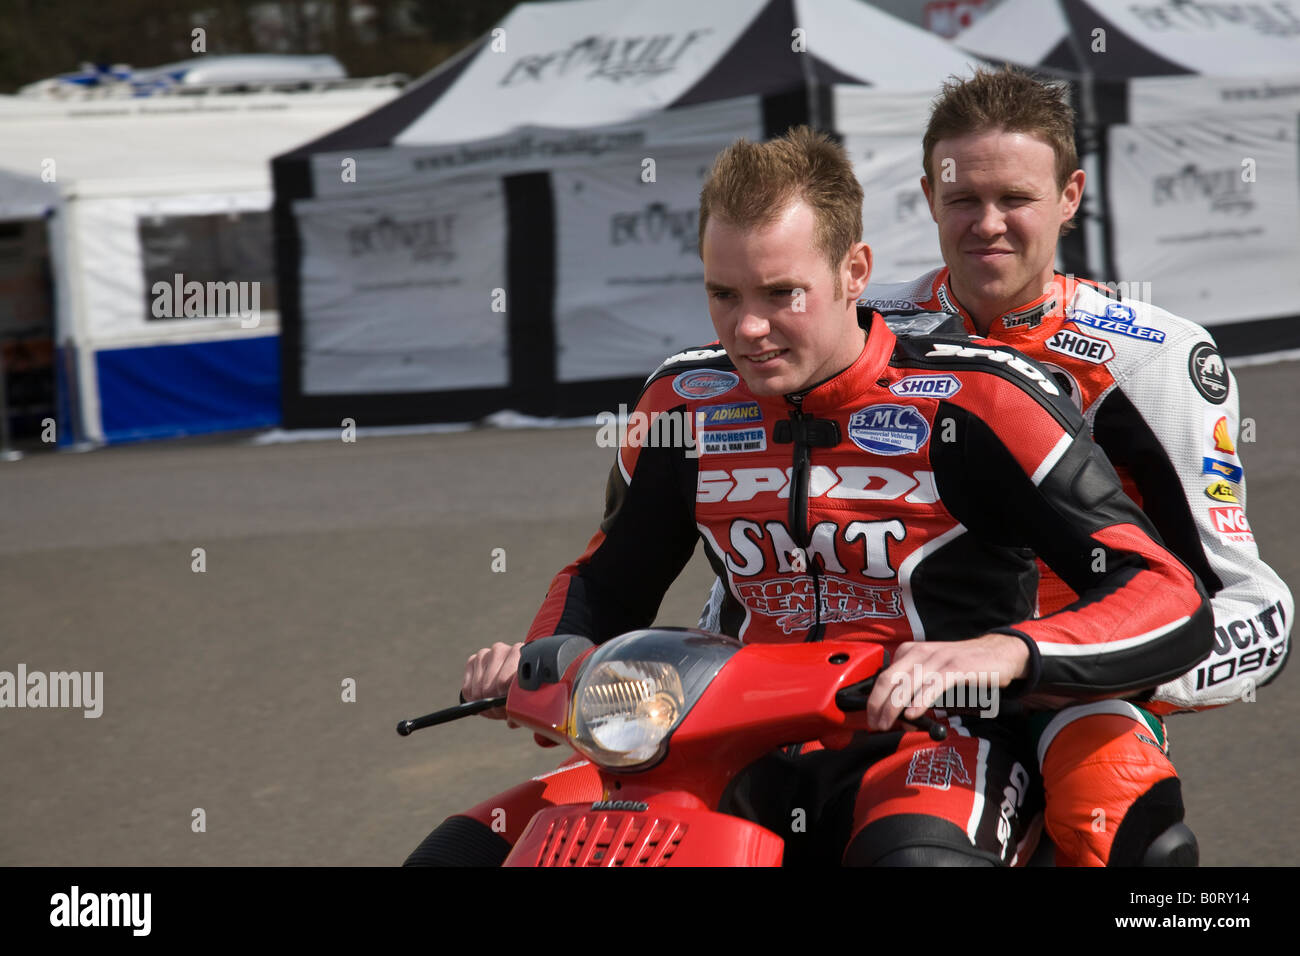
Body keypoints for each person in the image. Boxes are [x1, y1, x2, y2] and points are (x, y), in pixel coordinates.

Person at [406, 126, 1212, 867]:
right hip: (715, 740)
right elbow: (608, 579)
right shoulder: (681, 402)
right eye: (724, 294)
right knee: (457, 858)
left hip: (936, 737)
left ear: (854, 271)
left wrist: (1004, 652)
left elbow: (1164, 593)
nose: (748, 328)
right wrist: (546, 655)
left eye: (780, 293)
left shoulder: (980, 399)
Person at [848, 67, 1293, 866]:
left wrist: (1079, 667)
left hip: (1076, 687)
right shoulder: (865, 334)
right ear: (926, 197)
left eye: (1014, 199)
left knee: (1123, 820)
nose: (987, 224)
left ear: (1070, 195)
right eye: (962, 200)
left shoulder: (1154, 355)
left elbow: (1258, 613)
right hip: (889, 676)